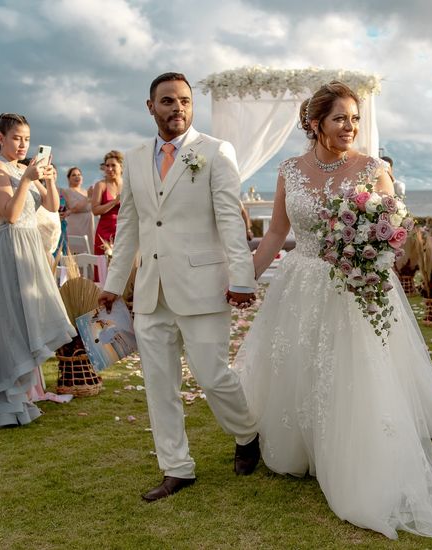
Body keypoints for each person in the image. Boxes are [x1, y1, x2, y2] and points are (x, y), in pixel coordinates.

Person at [234, 82, 432, 540]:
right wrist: (245, 278)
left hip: (359, 284)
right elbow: (275, 234)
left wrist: (366, 258)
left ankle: (353, 451)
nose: (350, 127)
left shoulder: (373, 169)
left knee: (352, 369)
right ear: (315, 123)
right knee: (298, 363)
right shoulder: (289, 170)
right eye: (340, 118)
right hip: (302, 280)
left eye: (355, 118)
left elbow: (395, 232)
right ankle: (302, 443)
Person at [97, 72, 259, 502]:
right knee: (158, 383)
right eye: (167, 100)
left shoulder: (215, 152)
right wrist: (113, 284)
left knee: (212, 375)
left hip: (204, 285)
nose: (177, 108)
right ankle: (177, 467)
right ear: (150, 106)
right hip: (151, 292)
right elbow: (130, 224)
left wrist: (242, 278)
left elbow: (229, 218)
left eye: (185, 101)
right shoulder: (133, 159)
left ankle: (247, 434)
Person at [0, 114, 75, 427]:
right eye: (17, 138)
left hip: (32, 246)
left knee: (29, 318)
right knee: (13, 323)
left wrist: (46, 179)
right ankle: (6, 401)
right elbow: (10, 214)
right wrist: (29, 180)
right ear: (1, 138)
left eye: (27, 139)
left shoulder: (23, 169)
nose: (23, 144)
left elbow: (51, 206)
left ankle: (19, 398)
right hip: (12, 247)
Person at [91, 150, 123, 255]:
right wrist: (114, 202)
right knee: (103, 268)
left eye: (113, 165)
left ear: (121, 167)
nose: (109, 169)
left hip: (124, 231)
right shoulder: (100, 185)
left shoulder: (128, 184)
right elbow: (95, 210)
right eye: (107, 165)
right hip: (104, 234)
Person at [61, 167, 94, 253]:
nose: (77, 177)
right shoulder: (66, 191)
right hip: (76, 224)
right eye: (74, 175)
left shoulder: (86, 191)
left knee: (89, 248)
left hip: (89, 224)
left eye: (79, 175)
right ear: (69, 178)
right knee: (76, 250)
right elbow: (74, 207)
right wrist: (88, 197)